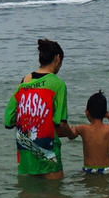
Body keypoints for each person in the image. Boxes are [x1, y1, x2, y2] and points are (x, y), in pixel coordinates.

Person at [4, 37, 77, 180]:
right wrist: (71, 134)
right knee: (55, 192)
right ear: (57, 58)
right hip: (48, 153)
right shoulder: (57, 84)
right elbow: (61, 124)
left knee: (29, 193)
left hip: (25, 154)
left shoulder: (23, 83)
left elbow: (8, 121)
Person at [72, 90, 109, 174]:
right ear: (104, 113)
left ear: (87, 112)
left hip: (89, 169)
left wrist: (72, 128)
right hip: (106, 170)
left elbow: (70, 135)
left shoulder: (82, 128)